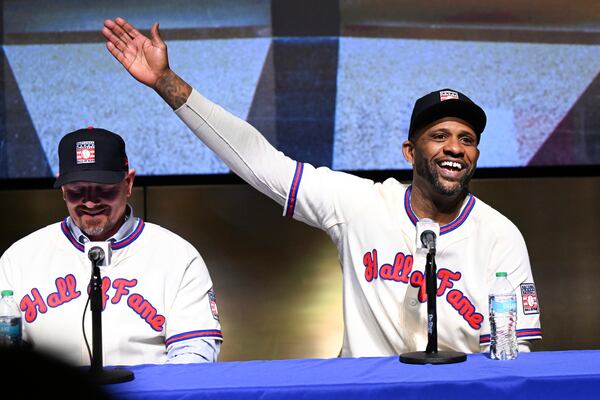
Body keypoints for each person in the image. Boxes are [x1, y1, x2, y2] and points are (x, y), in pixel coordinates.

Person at [101, 18, 541, 357]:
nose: (455, 148)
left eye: (467, 140)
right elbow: (260, 162)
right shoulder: (362, 204)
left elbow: (512, 354)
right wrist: (166, 81)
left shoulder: (500, 236)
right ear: (410, 151)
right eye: (440, 136)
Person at [0, 127, 223, 366]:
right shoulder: (20, 258)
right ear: (62, 190)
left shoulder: (178, 256)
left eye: (103, 189)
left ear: (128, 183)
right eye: (77, 191)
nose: (90, 201)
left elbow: (194, 353)